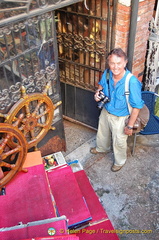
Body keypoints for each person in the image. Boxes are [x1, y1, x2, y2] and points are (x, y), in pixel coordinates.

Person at [90, 48, 144, 172]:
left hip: (121, 116)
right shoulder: (107, 73)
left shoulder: (131, 81)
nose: (115, 67)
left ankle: (120, 161)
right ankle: (102, 148)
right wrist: (98, 92)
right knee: (102, 133)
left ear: (125, 63)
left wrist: (129, 126)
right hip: (106, 110)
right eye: (112, 63)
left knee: (119, 142)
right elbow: (101, 85)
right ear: (109, 63)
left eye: (119, 63)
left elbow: (137, 106)